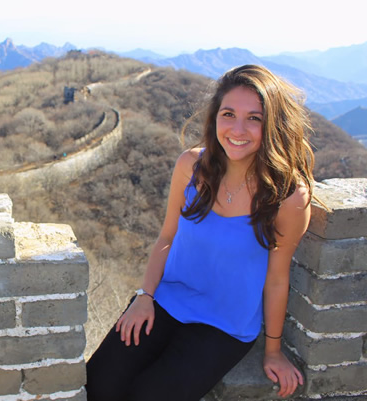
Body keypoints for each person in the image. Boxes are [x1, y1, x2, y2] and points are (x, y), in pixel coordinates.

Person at [86, 64, 316, 401]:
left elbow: (277, 278)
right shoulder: (191, 167)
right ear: (215, 118)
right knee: (98, 385)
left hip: (224, 325)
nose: (238, 129)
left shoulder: (289, 197)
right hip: (166, 300)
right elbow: (166, 238)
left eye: (254, 118)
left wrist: (273, 350)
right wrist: (143, 297)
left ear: (274, 125)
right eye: (229, 114)